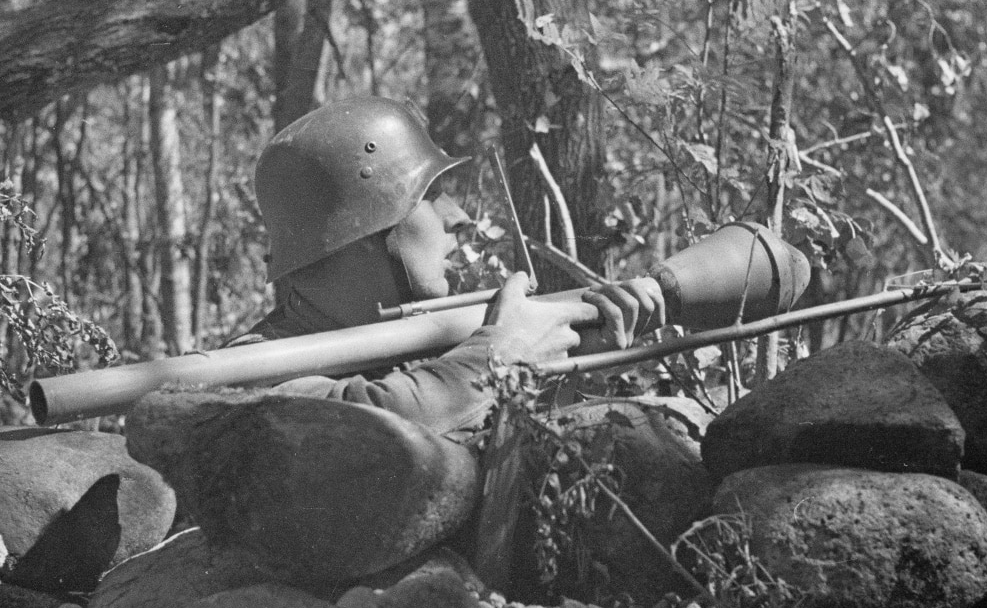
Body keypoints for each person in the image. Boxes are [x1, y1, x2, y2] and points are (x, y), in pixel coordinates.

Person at [231, 95, 665, 441]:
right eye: (431, 194)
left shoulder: (420, 351)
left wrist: (562, 367)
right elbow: (369, 423)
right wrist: (499, 355)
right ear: (360, 232)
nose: (457, 216)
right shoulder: (248, 372)